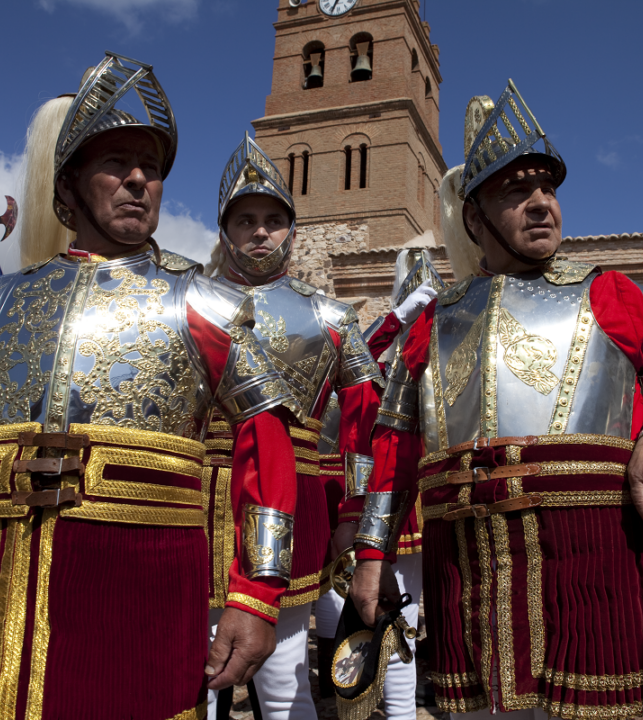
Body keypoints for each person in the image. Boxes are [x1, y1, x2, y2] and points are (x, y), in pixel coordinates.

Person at [0, 52, 298, 719]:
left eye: (153, 168)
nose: (139, 180)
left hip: (141, 591)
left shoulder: (204, 304)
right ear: (69, 186)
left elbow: (266, 439)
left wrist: (257, 594)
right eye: (115, 163)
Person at [348, 80, 643, 719]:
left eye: (548, 189)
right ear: (474, 217)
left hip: (595, 560)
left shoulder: (611, 294)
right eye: (513, 191)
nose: (539, 205)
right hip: (466, 571)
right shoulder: (432, 322)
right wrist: (370, 556)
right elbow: (393, 449)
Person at [203, 133, 391, 720]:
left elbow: (365, 425)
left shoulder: (333, 318)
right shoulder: (185, 301)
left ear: (292, 229)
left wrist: (354, 518)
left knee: (285, 679)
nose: (260, 232)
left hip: (297, 502)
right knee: (191, 672)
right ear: (225, 230)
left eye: (273, 220)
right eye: (245, 220)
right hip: (193, 499)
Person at [314, 249, 441, 718]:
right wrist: (391, 321)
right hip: (401, 510)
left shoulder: (446, 354)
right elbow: (345, 368)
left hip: (440, 504)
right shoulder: (385, 371)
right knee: (398, 621)